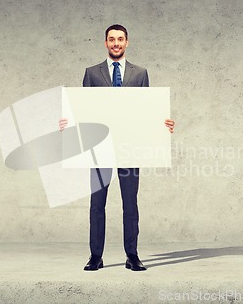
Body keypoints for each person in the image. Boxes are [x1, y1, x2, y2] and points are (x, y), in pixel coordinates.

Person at [59, 24, 175, 271]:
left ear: (127, 42)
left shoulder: (140, 73)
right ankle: (95, 256)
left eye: (120, 39)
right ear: (105, 43)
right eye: (111, 39)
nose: (116, 43)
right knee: (96, 204)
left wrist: (161, 124)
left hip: (130, 146)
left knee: (130, 203)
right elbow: (84, 110)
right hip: (100, 149)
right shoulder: (91, 73)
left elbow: (145, 110)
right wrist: (68, 123)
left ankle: (132, 255)